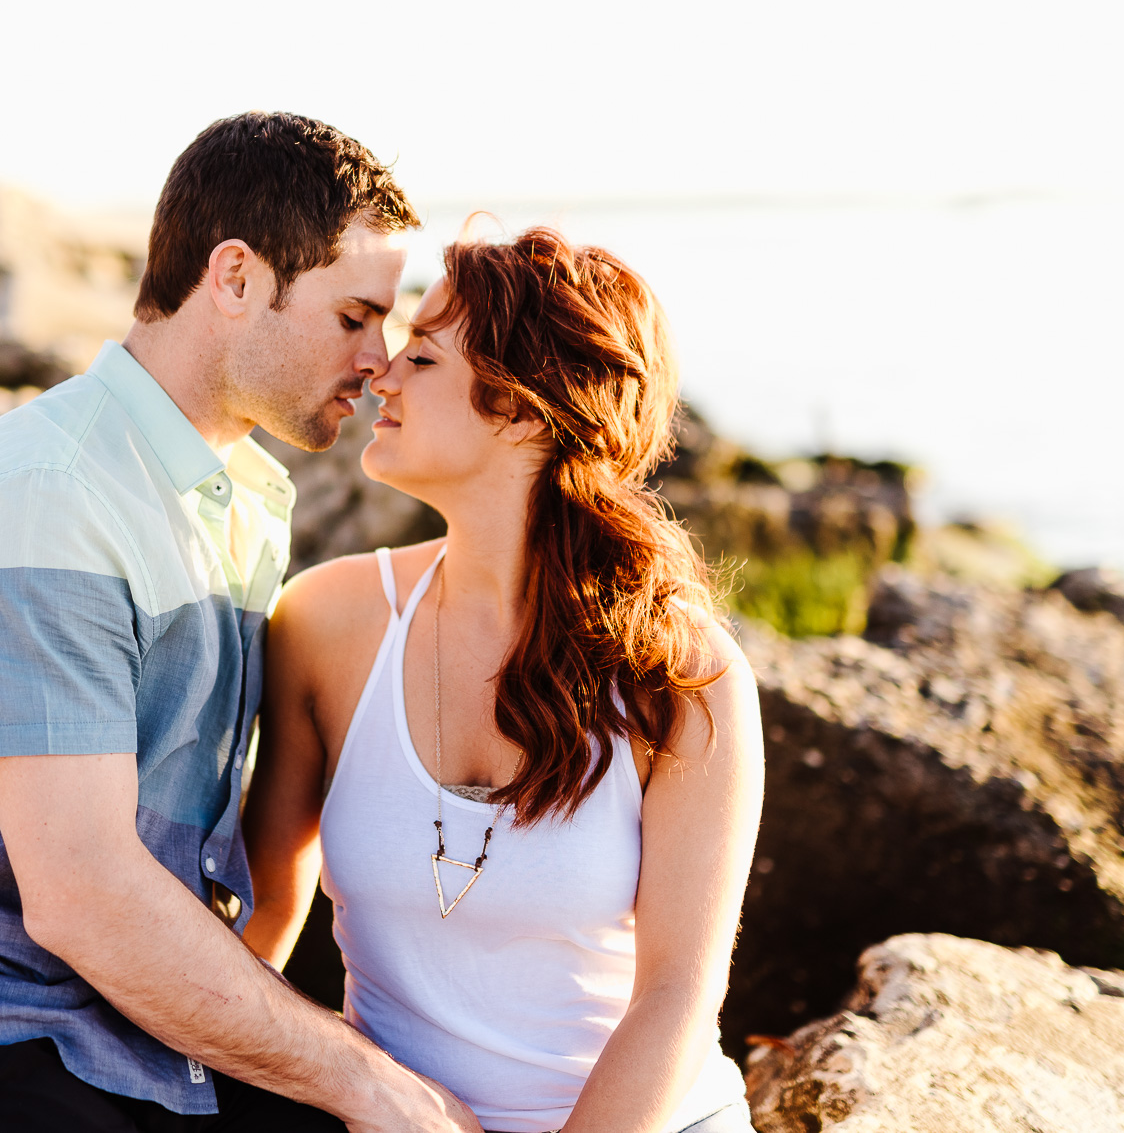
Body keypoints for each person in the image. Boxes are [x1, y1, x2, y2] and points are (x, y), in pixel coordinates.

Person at [0, 112, 480, 1133]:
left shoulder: (246, 493)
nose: (378, 362)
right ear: (237, 278)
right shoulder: (45, 493)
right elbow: (81, 892)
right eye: (354, 316)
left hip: (133, 1020)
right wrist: (358, 1074)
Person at [243, 226, 765, 1132]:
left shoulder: (681, 673)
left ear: (521, 410)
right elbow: (260, 928)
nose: (382, 375)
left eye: (425, 355)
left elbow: (679, 995)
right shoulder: (324, 622)